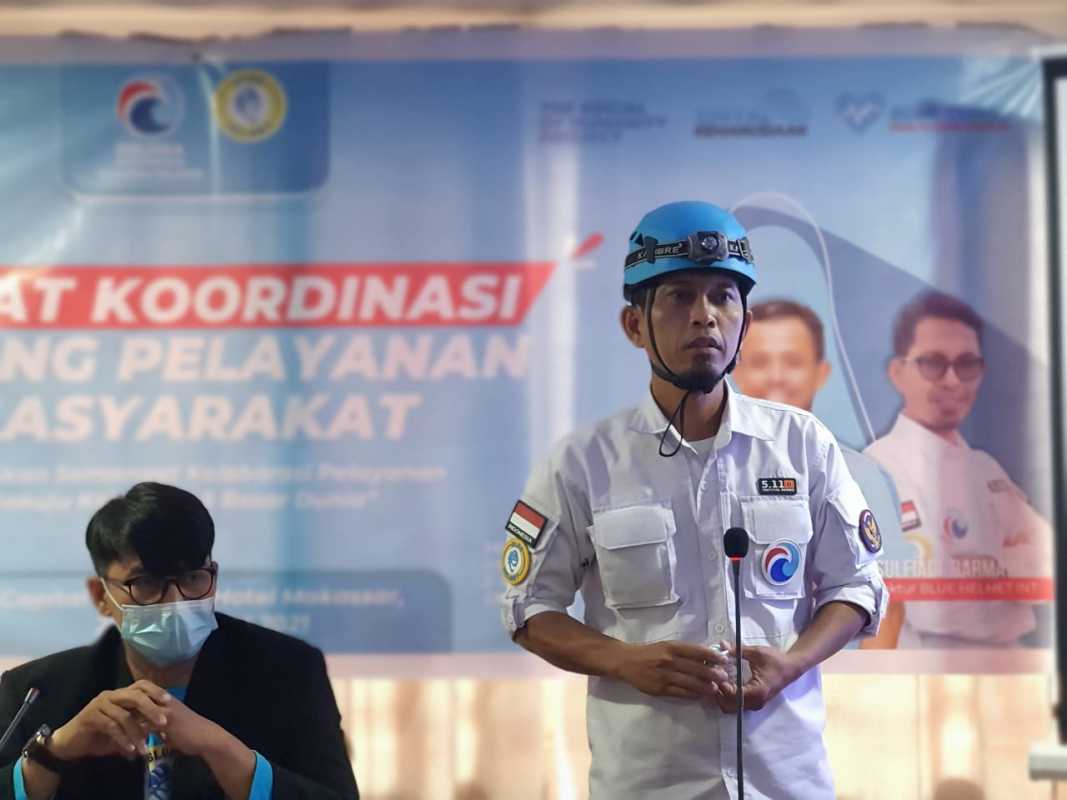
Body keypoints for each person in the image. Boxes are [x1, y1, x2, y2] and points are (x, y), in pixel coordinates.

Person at [500, 200, 888, 799]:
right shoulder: (581, 462)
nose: (704, 316)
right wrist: (623, 661)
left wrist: (790, 664)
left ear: (744, 324)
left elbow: (857, 588)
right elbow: (528, 608)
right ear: (635, 325)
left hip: (785, 782)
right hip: (649, 785)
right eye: (680, 297)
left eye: (722, 297)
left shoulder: (802, 444)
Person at [0, 482, 359, 799]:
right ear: (100, 596)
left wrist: (224, 751)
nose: (176, 601)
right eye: (146, 583)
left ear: (213, 576)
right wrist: (52, 755)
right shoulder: (38, 692)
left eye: (192, 577)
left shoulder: (289, 672)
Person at [864, 290, 1051, 648]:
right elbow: (930, 606)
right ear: (897, 372)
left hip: (1010, 667)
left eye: (967, 364)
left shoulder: (985, 467)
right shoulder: (880, 466)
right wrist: (1008, 562)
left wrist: (976, 567)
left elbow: (1049, 568)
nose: (952, 380)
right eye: (933, 363)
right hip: (928, 670)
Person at [731, 299, 906, 647]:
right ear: (736, 372)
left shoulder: (864, 475)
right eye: (760, 362)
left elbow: (886, 603)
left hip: (834, 675)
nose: (776, 376)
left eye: (792, 362)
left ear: (821, 372)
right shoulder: (712, 466)